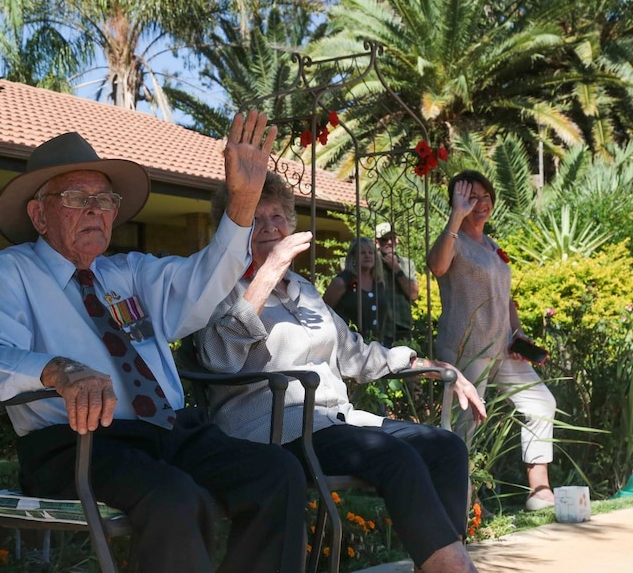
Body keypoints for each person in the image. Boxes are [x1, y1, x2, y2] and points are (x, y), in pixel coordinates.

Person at [0, 112, 308, 573]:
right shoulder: (8, 273)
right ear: (39, 214)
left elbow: (203, 283)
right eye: (78, 197)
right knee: (175, 497)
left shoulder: (128, 272)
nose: (96, 209)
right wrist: (58, 369)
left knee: (278, 474)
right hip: (75, 446)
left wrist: (242, 202)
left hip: (167, 431)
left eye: (105, 199)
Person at [194, 172, 486, 573]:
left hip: (335, 421)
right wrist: (266, 275)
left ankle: (435, 565)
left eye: (277, 217)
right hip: (274, 428)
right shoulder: (216, 288)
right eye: (254, 219)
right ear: (235, 229)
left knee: (445, 447)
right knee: (394, 457)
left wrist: (425, 364)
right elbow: (217, 357)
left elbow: (356, 355)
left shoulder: (304, 290)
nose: (269, 228)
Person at [426, 169, 558, 511]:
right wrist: (457, 217)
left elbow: (506, 296)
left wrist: (518, 333)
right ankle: (460, 501)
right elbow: (437, 266)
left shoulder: (494, 247)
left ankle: (539, 490)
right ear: (457, 203)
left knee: (541, 403)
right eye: (470, 198)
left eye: (484, 197)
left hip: (502, 348)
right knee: (464, 426)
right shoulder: (453, 240)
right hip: (466, 348)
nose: (480, 204)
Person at [322, 237, 390, 340]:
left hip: (376, 346)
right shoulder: (341, 282)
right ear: (353, 257)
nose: (367, 256)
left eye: (371, 253)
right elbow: (323, 312)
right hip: (347, 345)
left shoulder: (379, 283)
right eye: (362, 253)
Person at [375, 222, 420, 345]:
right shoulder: (372, 263)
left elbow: (414, 294)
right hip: (379, 325)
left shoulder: (406, 263)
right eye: (384, 239)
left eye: (392, 238)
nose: (389, 242)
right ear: (377, 243)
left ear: (397, 240)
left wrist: (396, 269)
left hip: (402, 325)